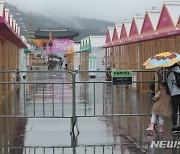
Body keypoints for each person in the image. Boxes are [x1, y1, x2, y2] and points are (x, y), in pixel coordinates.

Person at [167, 63, 180, 131]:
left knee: (174, 110)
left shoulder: (171, 73)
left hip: (174, 94)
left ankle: (174, 126)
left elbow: (169, 85)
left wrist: (170, 93)